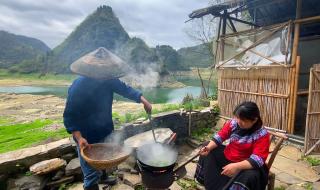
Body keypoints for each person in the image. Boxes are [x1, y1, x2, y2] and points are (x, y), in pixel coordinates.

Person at [63, 47, 152, 190]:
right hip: (86, 137)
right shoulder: (78, 87)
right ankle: (92, 185)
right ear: (90, 70)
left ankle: (104, 177)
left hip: (104, 129)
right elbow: (70, 117)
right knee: (90, 174)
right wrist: (79, 138)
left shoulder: (108, 80)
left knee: (104, 158)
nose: (103, 76)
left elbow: (125, 89)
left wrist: (143, 100)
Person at [195, 101, 270, 190]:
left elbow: (258, 159)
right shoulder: (233, 123)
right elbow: (220, 136)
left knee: (250, 177)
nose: (239, 121)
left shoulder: (262, 134)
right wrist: (208, 148)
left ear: (254, 119)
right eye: (238, 117)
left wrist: (236, 166)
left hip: (246, 165)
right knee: (208, 146)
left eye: (243, 120)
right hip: (229, 156)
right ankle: (209, 183)